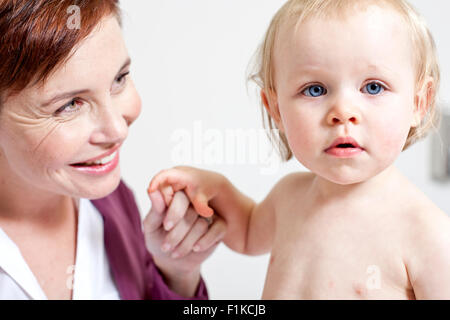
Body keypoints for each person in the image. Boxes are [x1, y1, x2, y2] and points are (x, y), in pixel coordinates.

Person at [148, 0, 450, 299]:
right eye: (315, 89)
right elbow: (248, 233)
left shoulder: (428, 236)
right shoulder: (289, 196)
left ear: (419, 103)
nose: (343, 112)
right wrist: (217, 189)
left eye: (373, 87)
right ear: (276, 109)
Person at [0, 0, 225, 300]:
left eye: (119, 79)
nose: (118, 130)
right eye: (69, 105)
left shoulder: (114, 205)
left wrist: (176, 274)